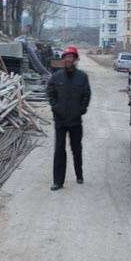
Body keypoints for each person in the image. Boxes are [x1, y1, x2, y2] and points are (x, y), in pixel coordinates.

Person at [46, 45, 91, 190]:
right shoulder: (56, 77)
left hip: (75, 121)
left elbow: (86, 94)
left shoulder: (82, 77)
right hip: (60, 120)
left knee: (76, 148)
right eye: (66, 57)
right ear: (63, 60)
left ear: (76, 59)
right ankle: (58, 181)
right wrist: (55, 107)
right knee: (59, 150)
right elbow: (50, 92)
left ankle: (79, 174)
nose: (69, 60)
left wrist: (81, 110)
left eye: (71, 57)